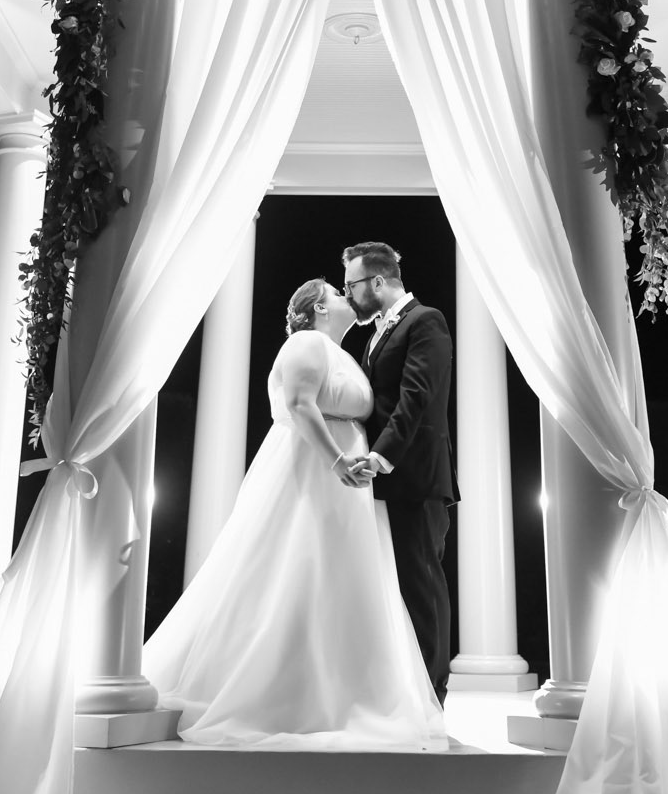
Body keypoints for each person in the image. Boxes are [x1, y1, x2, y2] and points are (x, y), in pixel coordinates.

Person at [140, 277, 448, 749]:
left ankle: (345, 690)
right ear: (320, 309)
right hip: (314, 471)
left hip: (346, 487)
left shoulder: (346, 353)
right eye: (338, 293)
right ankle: (285, 693)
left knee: (338, 584)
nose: (348, 298)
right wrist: (337, 460)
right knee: (299, 572)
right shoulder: (306, 342)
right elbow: (299, 404)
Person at [340, 241, 457, 703]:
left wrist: (381, 456)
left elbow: (417, 397)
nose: (349, 295)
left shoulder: (425, 321)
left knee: (422, 584)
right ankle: (402, 691)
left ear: (379, 282)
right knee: (396, 588)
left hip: (416, 477)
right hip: (386, 481)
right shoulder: (374, 334)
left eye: (352, 285)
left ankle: (433, 694)